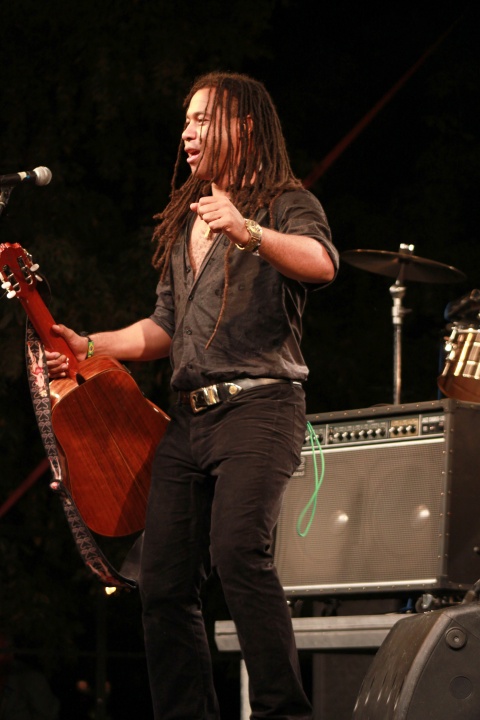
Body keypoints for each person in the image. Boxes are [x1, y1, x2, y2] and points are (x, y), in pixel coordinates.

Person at [46, 72, 339, 720]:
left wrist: (248, 230)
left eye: (204, 119)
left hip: (260, 407)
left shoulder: (285, 202)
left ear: (245, 126)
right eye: (187, 120)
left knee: (238, 553)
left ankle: (284, 712)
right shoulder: (189, 224)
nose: (188, 132)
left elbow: (322, 263)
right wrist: (88, 344)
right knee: (161, 582)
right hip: (189, 421)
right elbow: (163, 328)